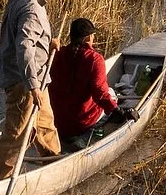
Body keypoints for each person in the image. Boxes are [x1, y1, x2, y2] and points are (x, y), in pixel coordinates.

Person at [0, 0, 62, 180]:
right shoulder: (32, 10)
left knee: (45, 124)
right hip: (25, 82)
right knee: (16, 134)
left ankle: (54, 164)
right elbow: (24, 47)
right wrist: (33, 87)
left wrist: (47, 43)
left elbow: (26, 36)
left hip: (38, 76)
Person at [50, 17, 131, 151]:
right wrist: (119, 111)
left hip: (57, 120)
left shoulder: (57, 54)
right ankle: (86, 135)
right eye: (93, 35)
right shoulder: (94, 59)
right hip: (81, 122)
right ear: (88, 37)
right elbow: (100, 94)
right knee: (111, 94)